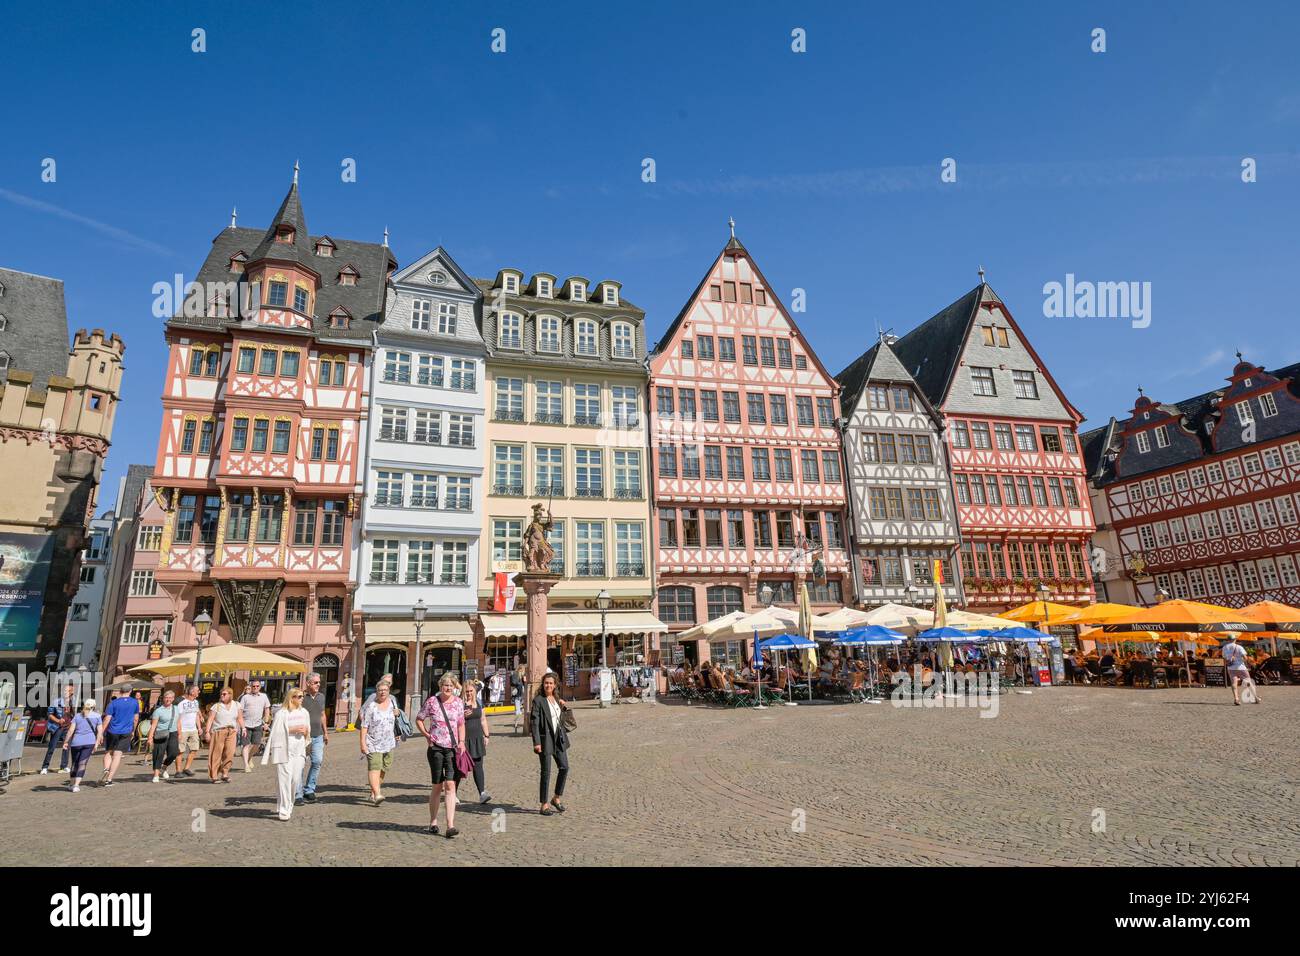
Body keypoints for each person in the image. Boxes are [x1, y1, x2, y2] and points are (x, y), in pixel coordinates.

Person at [416, 673, 466, 837]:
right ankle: (433, 822)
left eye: (451, 685)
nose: (448, 688)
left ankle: (450, 825)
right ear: (440, 686)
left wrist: (462, 742)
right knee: (437, 785)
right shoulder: (432, 702)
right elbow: (419, 718)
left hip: (452, 749)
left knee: (450, 785)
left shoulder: (458, 703)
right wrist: (426, 735)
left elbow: (460, 724)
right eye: (446, 685)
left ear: (454, 687)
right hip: (436, 748)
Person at [261, 685, 310, 821]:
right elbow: (275, 732)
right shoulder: (282, 713)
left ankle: (289, 804)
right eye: (299, 696)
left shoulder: (304, 712)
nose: (301, 699)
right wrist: (292, 729)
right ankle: (284, 809)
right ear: (291, 698)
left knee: (295, 780)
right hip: (284, 749)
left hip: (299, 750)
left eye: (302, 696)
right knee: (284, 779)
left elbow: (308, 731)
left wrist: (305, 732)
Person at [530, 672, 571, 817]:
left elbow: (560, 719)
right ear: (543, 684)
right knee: (546, 772)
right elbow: (534, 723)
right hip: (545, 739)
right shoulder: (538, 700)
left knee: (564, 767)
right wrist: (537, 742)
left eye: (551, 683)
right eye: (546, 683)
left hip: (559, 738)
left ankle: (556, 797)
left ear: (555, 685)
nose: (548, 685)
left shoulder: (557, 698)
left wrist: (563, 707)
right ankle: (544, 804)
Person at [359, 679, 398, 806]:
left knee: (384, 767)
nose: (382, 692)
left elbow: (395, 720)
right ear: (376, 691)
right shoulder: (371, 707)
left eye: (385, 690)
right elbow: (364, 726)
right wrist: (363, 743)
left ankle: (373, 791)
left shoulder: (392, 702)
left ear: (389, 691)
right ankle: (377, 794)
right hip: (373, 742)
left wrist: (397, 714)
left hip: (389, 742)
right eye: (380, 690)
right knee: (374, 767)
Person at [297, 671, 329, 803]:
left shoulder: (321, 696)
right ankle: (297, 792)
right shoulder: (301, 697)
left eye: (319, 682)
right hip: (303, 737)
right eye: (316, 682)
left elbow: (322, 715)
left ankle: (309, 789)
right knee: (299, 765)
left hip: (318, 736)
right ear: (308, 683)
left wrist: (325, 732)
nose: (318, 685)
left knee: (317, 762)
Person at [99, 689, 140, 787]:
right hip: (126, 731)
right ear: (130, 691)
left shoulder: (113, 703)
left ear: (121, 691)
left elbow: (107, 719)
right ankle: (109, 779)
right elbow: (136, 718)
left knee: (108, 752)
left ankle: (106, 769)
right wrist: (134, 731)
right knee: (117, 755)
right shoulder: (135, 702)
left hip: (112, 731)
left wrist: (100, 733)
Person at [460, 678, 491, 804]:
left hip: (477, 738)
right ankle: (453, 793)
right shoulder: (460, 704)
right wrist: (462, 715)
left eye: (471, 691)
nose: (469, 693)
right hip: (464, 739)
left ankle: (482, 793)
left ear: (475, 691)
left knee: (478, 766)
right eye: (466, 691)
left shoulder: (479, 702)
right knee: (460, 767)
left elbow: (483, 719)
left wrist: (487, 736)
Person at [204, 687, 243, 783]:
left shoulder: (237, 705)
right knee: (216, 754)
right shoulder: (216, 706)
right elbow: (210, 719)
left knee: (229, 753)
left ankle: (225, 773)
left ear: (230, 695)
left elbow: (240, 718)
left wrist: (244, 728)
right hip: (219, 731)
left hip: (232, 731)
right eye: (221, 694)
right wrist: (207, 732)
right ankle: (214, 776)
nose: (222, 696)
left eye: (224, 694)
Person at [63, 699, 102, 793]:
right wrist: (96, 744)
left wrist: (66, 742)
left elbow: (71, 731)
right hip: (89, 742)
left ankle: (72, 783)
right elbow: (100, 732)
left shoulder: (77, 716)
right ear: (94, 706)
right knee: (82, 763)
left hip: (76, 742)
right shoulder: (97, 716)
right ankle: (76, 785)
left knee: (74, 763)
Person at [39, 682, 77, 774]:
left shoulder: (74, 701)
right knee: (52, 747)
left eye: (67, 691)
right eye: (64, 690)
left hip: (68, 727)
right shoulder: (56, 701)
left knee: (66, 747)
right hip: (58, 727)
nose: (64, 692)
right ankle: (45, 767)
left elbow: (74, 714)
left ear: (71, 692)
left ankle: (64, 766)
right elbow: (49, 714)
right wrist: (58, 720)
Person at [146, 689, 180, 783]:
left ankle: (164, 767)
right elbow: (153, 725)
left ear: (173, 699)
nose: (168, 699)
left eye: (170, 698)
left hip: (173, 733)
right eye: (166, 697)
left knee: (174, 753)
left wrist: (180, 733)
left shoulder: (176, 709)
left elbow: (178, 721)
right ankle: (156, 775)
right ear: (163, 699)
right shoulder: (158, 711)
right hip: (160, 734)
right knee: (158, 754)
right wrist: (150, 738)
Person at [238, 679, 271, 771]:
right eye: (254, 686)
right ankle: (246, 765)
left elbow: (267, 709)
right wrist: (241, 724)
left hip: (258, 724)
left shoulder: (264, 696)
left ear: (260, 687)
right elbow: (240, 711)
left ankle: (248, 758)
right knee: (245, 745)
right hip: (246, 724)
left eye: (257, 686)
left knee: (256, 744)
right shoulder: (245, 697)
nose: (255, 688)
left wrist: (266, 722)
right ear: (251, 687)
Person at [174, 685, 203, 777]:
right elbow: (177, 717)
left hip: (193, 729)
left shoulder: (196, 702)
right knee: (180, 751)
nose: (199, 692)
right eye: (197, 690)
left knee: (194, 749)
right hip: (183, 729)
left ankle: (186, 768)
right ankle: (178, 771)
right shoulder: (182, 703)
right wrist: (179, 731)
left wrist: (199, 728)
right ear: (192, 692)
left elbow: (196, 716)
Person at [1222, 636, 1259, 706]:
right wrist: (1243, 661)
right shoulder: (1239, 647)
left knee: (1234, 683)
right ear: (1235, 639)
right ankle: (1256, 697)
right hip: (1241, 667)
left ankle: (1236, 698)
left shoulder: (1224, 647)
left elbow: (1224, 657)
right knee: (1248, 682)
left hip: (1231, 667)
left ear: (1228, 640)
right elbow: (1245, 658)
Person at [510, 665, 525, 734]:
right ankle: (516, 723)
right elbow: (514, 682)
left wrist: (523, 681)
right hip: (517, 694)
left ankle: (517, 722)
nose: (523, 672)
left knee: (520, 709)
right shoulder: (515, 674)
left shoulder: (520, 676)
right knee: (517, 710)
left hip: (521, 694)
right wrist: (520, 684)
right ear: (520, 669)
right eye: (523, 670)